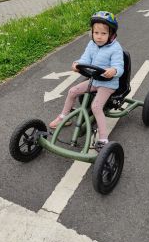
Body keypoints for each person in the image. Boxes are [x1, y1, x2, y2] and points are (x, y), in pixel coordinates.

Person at [49, 11, 124, 152]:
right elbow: (85, 59)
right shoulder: (92, 45)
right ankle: (64, 116)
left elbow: (119, 67)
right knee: (72, 91)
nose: (99, 37)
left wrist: (113, 71)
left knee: (96, 107)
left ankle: (103, 138)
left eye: (103, 33)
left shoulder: (115, 48)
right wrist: (77, 64)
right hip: (94, 80)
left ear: (111, 34)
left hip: (108, 85)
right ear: (92, 32)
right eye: (96, 33)